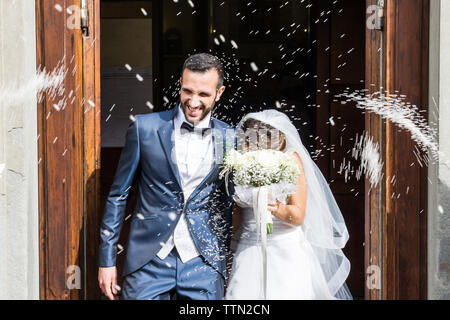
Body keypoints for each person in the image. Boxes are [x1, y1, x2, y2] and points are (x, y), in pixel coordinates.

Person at [98, 53, 235, 300]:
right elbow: (118, 196)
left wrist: (219, 260)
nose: (193, 101)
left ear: (219, 92)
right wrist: (106, 261)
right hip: (148, 264)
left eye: (203, 94)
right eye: (187, 91)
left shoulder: (229, 137)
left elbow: (226, 203)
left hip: (203, 264)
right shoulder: (144, 128)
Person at [225, 110, 353, 300]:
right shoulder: (240, 163)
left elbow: (299, 215)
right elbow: (238, 212)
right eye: (252, 137)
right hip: (248, 249)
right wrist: (231, 247)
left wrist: (275, 207)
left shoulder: (291, 161)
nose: (257, 143)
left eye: (266, 138)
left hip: (285, 250)